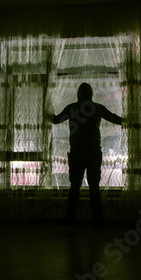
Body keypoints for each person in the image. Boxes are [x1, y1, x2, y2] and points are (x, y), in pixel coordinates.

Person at [53, 83, 124, 224]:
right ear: (91, 94)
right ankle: (97, 219)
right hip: (93, 151)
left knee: (74, 187)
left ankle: (70, 218)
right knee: (94, 188)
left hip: (77, 151)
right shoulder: (98, 108)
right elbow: (115, 119)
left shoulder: (71, 108)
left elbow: (56, 120)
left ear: (78, 94)